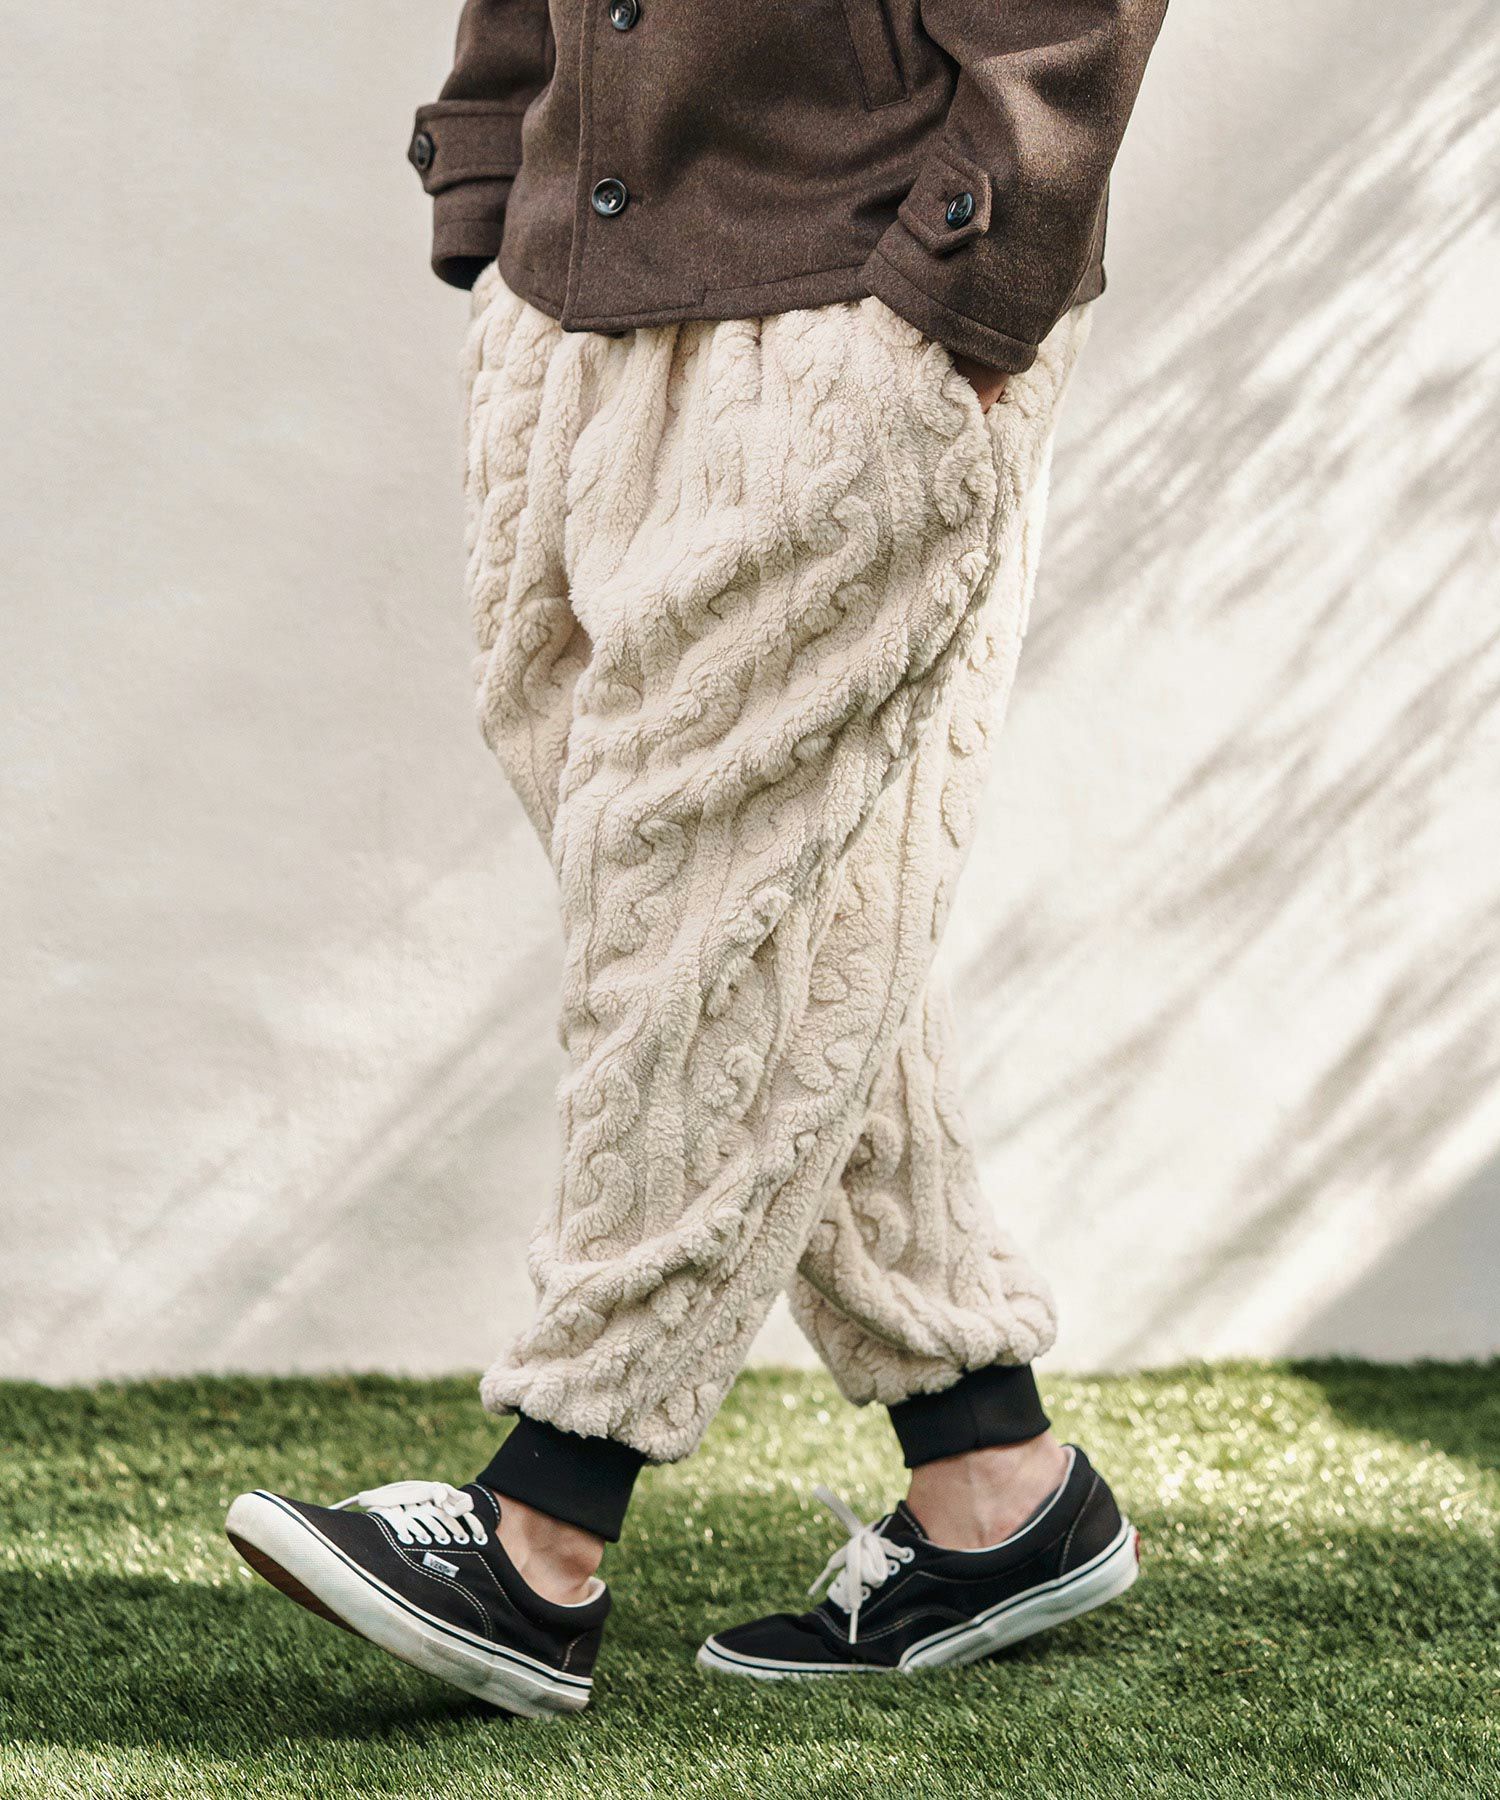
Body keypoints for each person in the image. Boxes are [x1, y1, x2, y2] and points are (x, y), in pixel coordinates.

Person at [226, 0, 1167, 1717]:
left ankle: (545, 1519)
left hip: (858, 283)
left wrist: (963, 286)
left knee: (695, 878)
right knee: (758, 892)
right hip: (571, 289)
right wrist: (492, 169)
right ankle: (993, 1471)